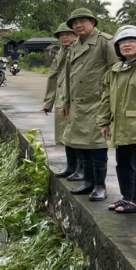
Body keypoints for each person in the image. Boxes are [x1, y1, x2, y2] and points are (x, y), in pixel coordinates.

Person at [96, 25, 136, 213]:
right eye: (122, 42)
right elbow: (106, 97)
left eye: (131, 41)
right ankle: (127, 197)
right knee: (122, 164)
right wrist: (104, 121)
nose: (127, 45)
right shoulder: (114, 69)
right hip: (120, 126)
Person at [61, 8, 117, 201]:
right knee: (81, 143)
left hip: (98, 103)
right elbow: (70, 77)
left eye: (83, 21)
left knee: (97, 145)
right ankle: (88, 182)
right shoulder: (74, 45)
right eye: (75, 22)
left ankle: (100, 186)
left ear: (93, 22)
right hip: (78, 104)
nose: (78, 25)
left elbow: (116, 71)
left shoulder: (105, 42)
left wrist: (113, 103)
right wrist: (66, 101)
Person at [43, 23, 80, 177]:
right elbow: (53, 78)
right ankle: (71, 167)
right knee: (65, 136)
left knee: (78, 136)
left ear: (76, 34)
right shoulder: (60, 53)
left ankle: (81, 169)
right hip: (62, 99)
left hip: (77, 99)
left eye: (68, 33)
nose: (64, 37)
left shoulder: (80, 50)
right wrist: (48, 102)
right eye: (61, 34)